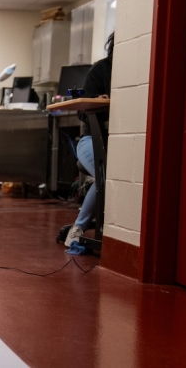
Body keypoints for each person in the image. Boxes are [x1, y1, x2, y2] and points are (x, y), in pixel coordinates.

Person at [65, 33, 113, 247]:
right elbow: (82, 113)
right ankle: (78, 228)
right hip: (90, 139)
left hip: (115, 142)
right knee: (104, 175)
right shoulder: (100, 70)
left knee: (110, 175)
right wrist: (97, 103)